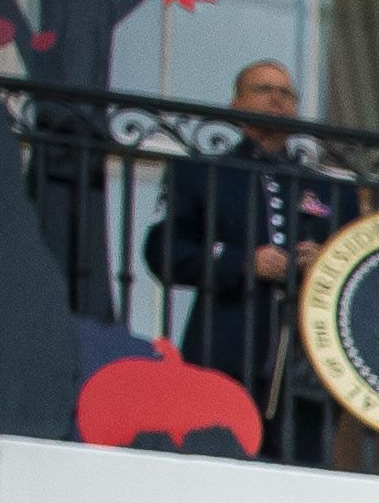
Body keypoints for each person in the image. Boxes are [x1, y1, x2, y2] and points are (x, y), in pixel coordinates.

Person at [145, 60, 351, 455]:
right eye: (263, 89)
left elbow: (360, 266)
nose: (277, 98)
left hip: (306, 365)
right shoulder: (203, 172)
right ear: (236, 103)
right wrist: (243, 263)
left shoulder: (330, 190)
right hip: (225, 347)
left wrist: (327, 261)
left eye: (286, 93)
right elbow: (163, 250)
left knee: (301, 481)